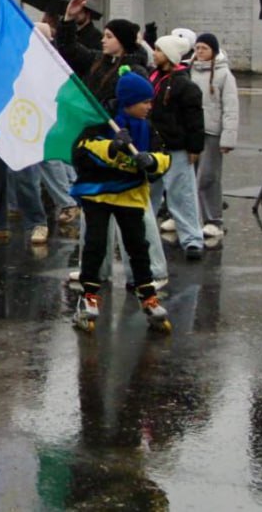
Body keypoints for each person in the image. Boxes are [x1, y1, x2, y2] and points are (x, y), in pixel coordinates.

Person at [69, 71, 172, 333]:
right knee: (95, 244)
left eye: (151, 102)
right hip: (98, 193)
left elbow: (164, 156)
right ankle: (89, 295)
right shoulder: (101, 122)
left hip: (131, 195)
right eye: (145, 102)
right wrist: (112, 147)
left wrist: (151, 161)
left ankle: (147, 295)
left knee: (138, 246)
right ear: (129, 101)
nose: (150, 107)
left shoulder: (148, 127)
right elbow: (81, 150)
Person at [149, 34, 207, 259]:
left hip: (176, 148)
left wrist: (194, 147)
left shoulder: (184, 85)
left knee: (182, 195)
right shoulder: (154, 78)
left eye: (159, 50)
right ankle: (145, 233)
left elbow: (195, 120)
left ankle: (192, 238)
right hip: (154, 148)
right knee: (149, 195)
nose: (154, 54)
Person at [190, 33, 238, 239]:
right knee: (187, 175)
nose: (200, 52)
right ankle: (186, 216)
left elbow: (231, 107)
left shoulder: (224, 75)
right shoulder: (188, 70)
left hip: (212, 132)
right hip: (192, 131)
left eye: (204, 48)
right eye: (197, 48)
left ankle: (213, 219)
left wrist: (228, 138)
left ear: (213, 51)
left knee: (209, 176)